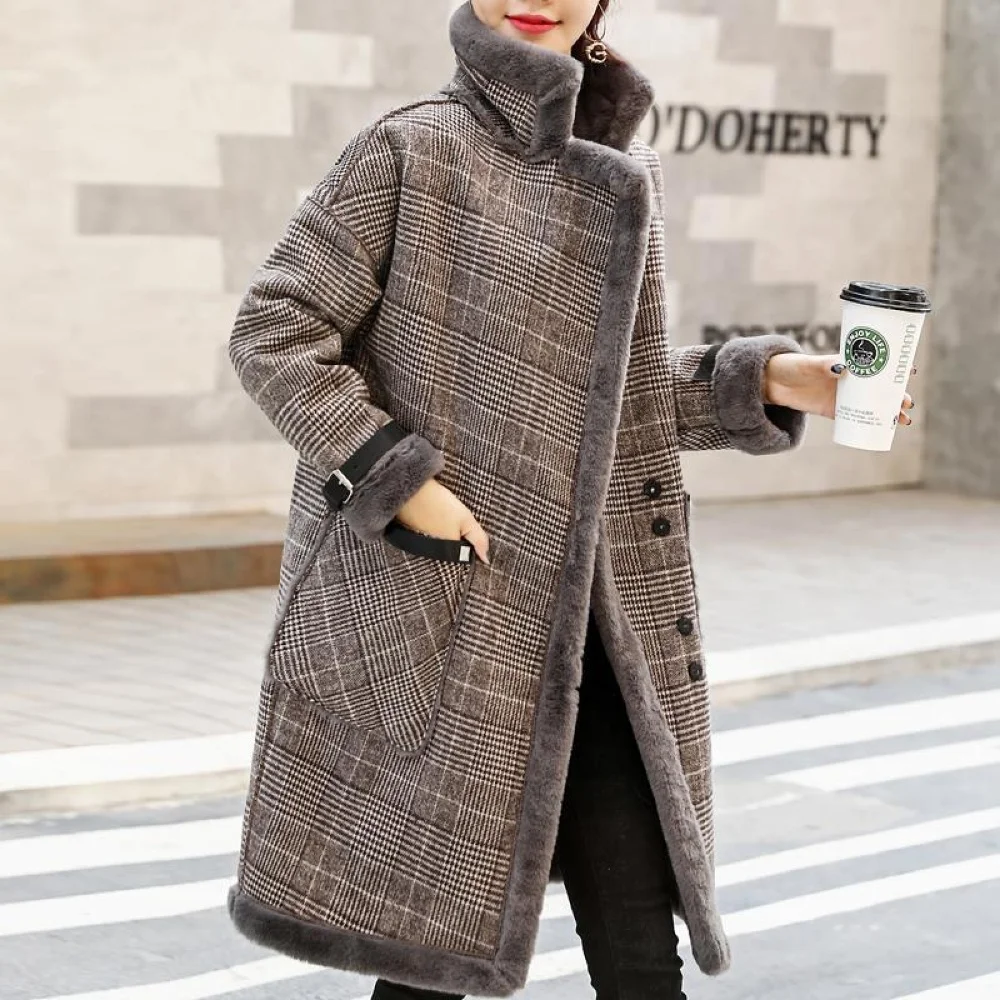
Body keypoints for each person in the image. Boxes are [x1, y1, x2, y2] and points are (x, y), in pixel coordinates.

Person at [225, 3, 917, 998]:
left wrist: (770, 380)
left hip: (596, 627)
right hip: (457, 610)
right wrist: (400, 482)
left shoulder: (622, 167)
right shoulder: (411, 147)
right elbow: (275, 330)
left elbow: (614, 409)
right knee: (429, 960)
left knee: (637, 960)